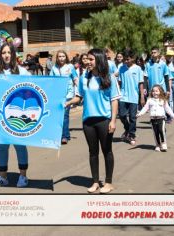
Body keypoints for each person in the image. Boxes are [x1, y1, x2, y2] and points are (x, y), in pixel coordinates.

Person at [65, 48, 121, 194]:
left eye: (90, 59)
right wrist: (67, 103)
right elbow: (79, 97)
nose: (87, 62)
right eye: (86, 59)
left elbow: (114, 100)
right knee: (92, 152)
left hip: (104, 120)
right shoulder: (84, 77)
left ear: (99, 60)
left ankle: (108, 182)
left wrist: (113, 121)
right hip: (88, 121)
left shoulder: (109, 77)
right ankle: (95, 182)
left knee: (107, 151)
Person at [0, 43, 31, 188]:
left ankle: (23, 176)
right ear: (0, 55)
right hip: (0, 116)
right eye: (3, 52)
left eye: (9, 52)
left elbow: (31, 88)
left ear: (14, 54)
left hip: (18, 115)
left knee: (20, 146)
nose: (6, 55)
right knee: (1, 146)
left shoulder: (22, 71)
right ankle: (2, 177)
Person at [136, 85, 174, 152]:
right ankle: (157, 145)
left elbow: (168, 109)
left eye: (156, 91)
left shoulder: (163, 100)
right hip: (153, 119)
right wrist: (139, 114)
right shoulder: (149, 100)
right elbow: (145, 108)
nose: (155, 92)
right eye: (153, 91)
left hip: (161, 118)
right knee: (155, 133)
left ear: (160, 92)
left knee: (161, 131)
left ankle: (163, 144)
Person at [49, 50, 78, 144]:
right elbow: (50, 80)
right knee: (59, 115)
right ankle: (65, 134)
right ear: (57, 58)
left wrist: (80, 91)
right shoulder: (54, 68)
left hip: (68, 95)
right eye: (59, 56)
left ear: (66, 57)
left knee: (65, 115)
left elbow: (75, 78)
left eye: (63, 56)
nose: (61, 58)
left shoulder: (70, 67)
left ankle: (64, 136)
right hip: (57, 95)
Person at [118, 49, 145, 145]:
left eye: (128, 59)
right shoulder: (121, 68)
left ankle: (132, 135)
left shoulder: (138, 69)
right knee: (122, 115)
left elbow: (141, 83)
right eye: (125, 59)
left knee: (133, 117)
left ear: (132, 58)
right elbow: (119, 82)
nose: (126, 61)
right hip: (123, 96)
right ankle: (127, 129)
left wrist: (142, 96)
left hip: (134, 97)